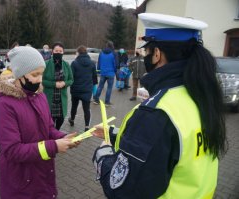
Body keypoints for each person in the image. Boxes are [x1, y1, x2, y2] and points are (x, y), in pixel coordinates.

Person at [92, 13, 227, 199]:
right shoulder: (200, 95)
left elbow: (122, 190)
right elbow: (167, 148)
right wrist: (116, 135)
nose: (146, 56)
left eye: (147, 52)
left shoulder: (156, 112)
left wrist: (103, 154)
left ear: (157, 54)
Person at [0, 46, 79, 199]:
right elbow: (12, 150)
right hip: (20, 182)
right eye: (35, 74)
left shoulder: (39, 96)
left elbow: (49, 128)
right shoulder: (4, 106)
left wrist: (62, 137)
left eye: (41, 74)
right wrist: (54, 146)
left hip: (42, 174)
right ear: (19, 74)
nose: (40, 79)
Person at [43, 42, 73, 130]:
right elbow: (41, 80)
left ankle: (57, 131)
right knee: (49, 121)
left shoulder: (66, 65)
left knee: (61, 119)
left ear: (63, 52)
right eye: (56, 50)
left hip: (61, 98)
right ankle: (50, 136)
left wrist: (65, 83)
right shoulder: (46, 64)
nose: (58, 52)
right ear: (52, 52)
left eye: (60, 51)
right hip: (49, 98)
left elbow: (71, 79)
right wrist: (54, 84)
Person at [68, 45, 97, 132]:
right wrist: (93, 86)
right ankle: (87, 126)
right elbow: (94, 77)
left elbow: (71, 77)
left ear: (78, 53)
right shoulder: (92, 63)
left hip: (75, 89)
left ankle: (72, 120)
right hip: (87, 90)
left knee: (74, 106)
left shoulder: (74, 63)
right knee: (86, 109)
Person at [93, 41, 117, 106]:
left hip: (103, 73)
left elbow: (99, 62)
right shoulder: (114, 53)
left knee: (100, 87)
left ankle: (96, 100)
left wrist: (98, 70)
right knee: (109, 88)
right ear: (112, 46)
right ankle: (107, 102)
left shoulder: (101, 53)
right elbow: (115, 64)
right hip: (111, 73)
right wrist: (115, 71)